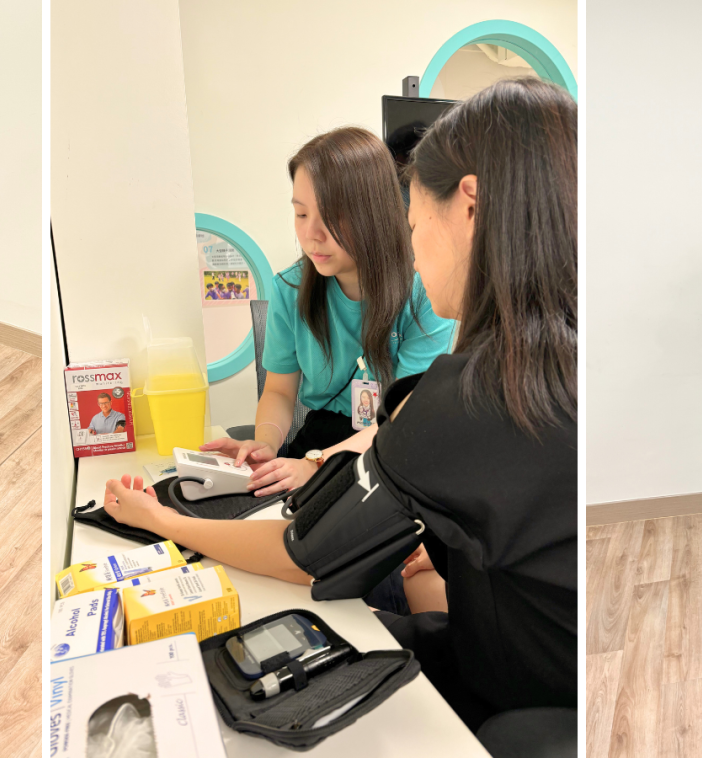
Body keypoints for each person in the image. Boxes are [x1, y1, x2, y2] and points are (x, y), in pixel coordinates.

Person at [102, 78, 577, 733]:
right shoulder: (563, 360)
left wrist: (159, 519)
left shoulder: (472, 390)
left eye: (415, 224)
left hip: (509, 693)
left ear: (469, 207)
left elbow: (305, 555)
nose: (414, 248)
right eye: (299, 214)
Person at [199, 126, 456, 499]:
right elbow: (279, 391)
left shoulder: (425, 290)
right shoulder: (291, 288)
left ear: (376, 213)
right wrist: (265, 444)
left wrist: (316, 464)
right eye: (301, 214)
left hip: (393, 448)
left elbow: (404, 418)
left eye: (333, 217)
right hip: (319, 442)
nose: (312, 234)